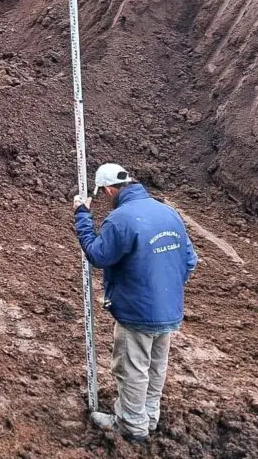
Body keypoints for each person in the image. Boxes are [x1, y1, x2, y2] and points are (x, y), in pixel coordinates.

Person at [73, 163, 199, 443]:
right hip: (168, 310)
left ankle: (131, 427)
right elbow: (190, 261)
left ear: (108, 189)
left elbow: (98, 255)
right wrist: (164, 288)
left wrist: (82, 216)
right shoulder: (169, 213)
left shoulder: (121, 219)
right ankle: (148, 417)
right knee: (155, 366)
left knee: (132, 368)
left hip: (137, 311)